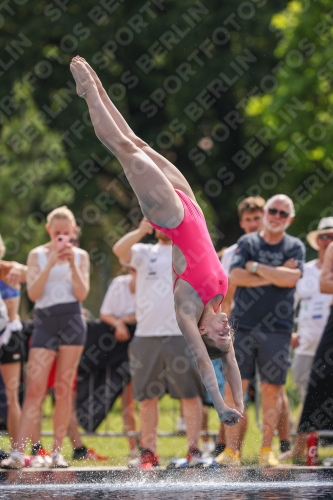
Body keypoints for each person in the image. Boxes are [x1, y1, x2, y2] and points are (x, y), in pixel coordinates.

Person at [69, 56, 243, 432]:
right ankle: (96, 87)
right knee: (138, 142)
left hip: (172, 217)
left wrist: (220, 403)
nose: (227, 329)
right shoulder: (216, 302)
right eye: (228, 332)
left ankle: (87, 95)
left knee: (123, 149)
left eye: (221, 334)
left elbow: (205, 362)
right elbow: (231, 362)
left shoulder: (188, 308)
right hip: (192, 204)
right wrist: (239, 402)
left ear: (205, 333)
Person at [217, 195, 305, 467]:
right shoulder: (248, 242)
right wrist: (274, 273)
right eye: (273, 210)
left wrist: (255, 267)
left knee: (272, 390)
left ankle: (267, 450)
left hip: (278, 329)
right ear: (266, 211)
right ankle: (232, 452)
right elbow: (237, 276)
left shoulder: (295, 246)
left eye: (283, 213)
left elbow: (291, 279)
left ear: (289, 219)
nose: (276, 216)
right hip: (243, 326)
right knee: (235, 388)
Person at [1, 206, 90, 469]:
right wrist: (51, 262)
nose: (62, 238)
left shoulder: (81, 256)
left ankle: (56, 453)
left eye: (66, 233)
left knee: (63, 390)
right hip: (45, 321)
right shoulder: (37, 254)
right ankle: (18, 453)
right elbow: (35, 293)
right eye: (57, 233)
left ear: (73, 232)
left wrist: (71, 263)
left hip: (72, 320)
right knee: (35, 390)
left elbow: (82, 293)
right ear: (49, 231)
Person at [113, 220, 206, 468]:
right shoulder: (144, 251)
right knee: (146, 397)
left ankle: (194, 451)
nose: (163, 226)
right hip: (146, 335)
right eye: (159, 221)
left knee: (189, 394)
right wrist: (142, 230)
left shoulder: (188, 251)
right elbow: (119, 251)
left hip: (181, 334)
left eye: (168, 220)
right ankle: (149, 453)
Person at [292, 219, 333, 463]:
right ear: (318, 240)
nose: (328, 241)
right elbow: (289, 302)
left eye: (332, 236)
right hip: (308, 343)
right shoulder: (306, 270)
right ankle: (301, 448)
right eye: (324, 236)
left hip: (323, 336)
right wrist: (289, 332)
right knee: (311, 394)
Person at [100, 266, 139, 462]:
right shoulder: (118, 284)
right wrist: (119, 323)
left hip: (146, 341)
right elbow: (105, 313)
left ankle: (148, 448)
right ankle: (134, 450)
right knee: (127, 401)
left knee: (149, 399)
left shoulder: (154, 284)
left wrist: (122, 319)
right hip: (121, 346)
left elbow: (148, 313)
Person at [0, 235, 27, 451]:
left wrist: (19, 267)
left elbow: (32, 274)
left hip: (9, 336)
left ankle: (17, 451)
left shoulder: (9, 270)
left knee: (12, 397)